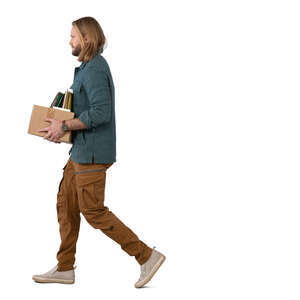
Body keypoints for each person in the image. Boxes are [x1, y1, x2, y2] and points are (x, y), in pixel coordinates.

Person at [32, 16, 166, 288]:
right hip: (80, 152)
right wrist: (61, 130)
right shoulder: (86, 69)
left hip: (92, 155)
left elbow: (101, 114)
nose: (69, 41)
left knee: (93, 211)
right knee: (66, 202)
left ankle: (147, 256)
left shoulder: (94, 70)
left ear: (86, 38)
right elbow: (87, 112)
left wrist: (65, 125)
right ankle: (65, 267)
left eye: (72, 36)